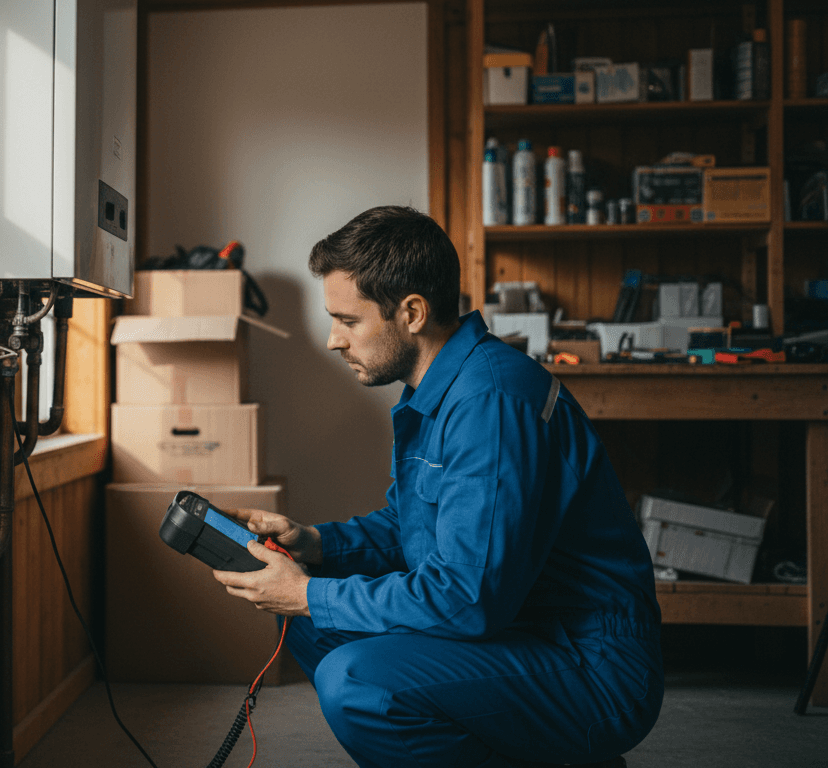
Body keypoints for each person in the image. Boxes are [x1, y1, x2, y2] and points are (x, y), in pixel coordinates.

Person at [212, 206, 663, 768]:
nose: (333, 340)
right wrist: (316, 545)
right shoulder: (438, 389)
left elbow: (470, 598)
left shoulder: (489, 402)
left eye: (348, 321)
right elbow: (409, 526)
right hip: (522, 629)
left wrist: (309, 594)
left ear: (412, 313)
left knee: (356, 679)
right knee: (310, 613)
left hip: (587, 663)